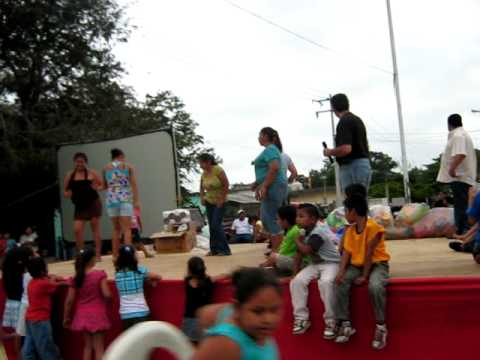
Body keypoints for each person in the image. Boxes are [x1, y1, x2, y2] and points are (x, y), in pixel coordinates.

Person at [335, 194, 390, 350]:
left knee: (375, 286)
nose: (345, 215)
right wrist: (340, 272)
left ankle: (381, 326)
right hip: (357, 265)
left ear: (353, 211)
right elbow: (346, 252)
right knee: (341, 282)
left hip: (377, 264)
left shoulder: (374, 227)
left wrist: (365, 276)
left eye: (346, 211)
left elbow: (369, 253)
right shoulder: (351, 230)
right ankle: (345, 323)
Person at [194, 267, 282, 360]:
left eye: (274, 310)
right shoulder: (225, 343)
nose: (268, 319)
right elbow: (204, 313)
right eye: (257, 311)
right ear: (237, 308)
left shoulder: (261, 333)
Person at [289, 204, 340, 337]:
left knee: (326, 283)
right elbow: (298, 255)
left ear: (312, 219)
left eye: (301, 216)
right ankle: (301, 319)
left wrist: (298, 241)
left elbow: (306, 250)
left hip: (331, 263)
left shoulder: (319, 231)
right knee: (297, 282)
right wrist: (294, 274)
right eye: (297, 216)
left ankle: (332, 321)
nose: (297, 219)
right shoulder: (303, 232)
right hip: (316, 264)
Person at [63, 248, 112, 360]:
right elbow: (107, 294)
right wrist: (109, 301)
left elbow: (69, 301)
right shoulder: (99, 275)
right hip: (97, 315)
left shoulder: (76, 278)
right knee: (99, 348)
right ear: (92, 260)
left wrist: (65, 317)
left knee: (88, 347)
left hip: (82, 316)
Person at [437, 114, 477, 237]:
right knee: (463, 203)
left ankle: (462, 230)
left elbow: (460, 154)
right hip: (463, 176)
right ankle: (462, 230)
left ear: (449, 124)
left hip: (460, 176)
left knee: (461, 205)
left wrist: (452, 169)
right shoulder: (462, 134)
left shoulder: (458, 136)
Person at [323, 93, 371, 193]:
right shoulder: (357, 120)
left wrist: (329, 152)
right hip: (363, 163)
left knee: (352, 201)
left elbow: (346, 149)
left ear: (333, 107)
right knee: (360, 202)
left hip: (352, 166)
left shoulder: (344, 122)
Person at [22, 257, 67, 360]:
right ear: (43, 271)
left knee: (29, 349)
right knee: (47, 350)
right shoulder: (43, 284)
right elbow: (58, 284)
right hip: (40, 320)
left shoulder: (32, 283)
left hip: (29, 319)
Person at [252, 127, 288, 250]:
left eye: (260, 135)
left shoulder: (270, 149)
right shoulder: (271, 149)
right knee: (267, 219)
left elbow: (274, 168)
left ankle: (277, 253)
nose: (258, 138)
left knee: (271, 219)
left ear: (266, 137)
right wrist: (257, 183)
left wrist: (265, 186)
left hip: (274, 186)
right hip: (273, 185)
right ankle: (277, 250)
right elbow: (267, 170)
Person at [64, 152, 103, 260]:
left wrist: (97, 188)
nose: (80, 164)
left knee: (94, 228)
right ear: (74, 162)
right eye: (77, 162)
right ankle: (81, 254)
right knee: (77, 230)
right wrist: (68, 194)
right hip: (79, 205)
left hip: (93, 203)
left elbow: (102, 185)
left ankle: (98, 254)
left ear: (85, 162)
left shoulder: (92, 173)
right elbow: (65, 191)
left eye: (82, 162)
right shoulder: (70, 175)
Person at [103, 148, 140, 258]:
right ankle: (128, 255)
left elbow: (104, 186)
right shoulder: (128, 167)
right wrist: (136, 200)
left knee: (116, 228)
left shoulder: (105, 168)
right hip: (124, 198)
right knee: (127, 229)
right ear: (121, 156)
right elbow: (133, 184)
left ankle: (115, 255)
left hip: (111, 199)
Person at [114, 245, 162, 329]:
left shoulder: (118, 274)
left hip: (125, 315)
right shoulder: (140, 271)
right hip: (141, 312)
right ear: (134, 257)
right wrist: (151, 282)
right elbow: (158, 277)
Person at [2, 246, 35, 358]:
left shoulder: (9, 268)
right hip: (19, 303)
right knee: (20, 335)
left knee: (19, 335)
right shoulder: (20, 271)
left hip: (12, 302)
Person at [198, 153, 231, 256]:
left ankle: (225, 250)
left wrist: (221, 199)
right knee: (211, 226)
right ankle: (214, 250)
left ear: (208, 162)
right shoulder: (204, 173)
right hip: (209, 201)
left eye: (201, 163)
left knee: (216, 224)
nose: (200, 165)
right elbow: (201, 187)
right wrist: (202, 197)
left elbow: (226, 184)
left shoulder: (218, 170)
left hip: (220, 201)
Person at [181, 257, 214, 343]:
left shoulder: (187, 281)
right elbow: (220, 276)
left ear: (190, 270)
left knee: (190, 348)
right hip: (205, 320)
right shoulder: (209, 281)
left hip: (189, 320)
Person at [261, 205, 301, 275]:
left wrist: (276, 258)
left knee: (273, 256)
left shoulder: (295, 231)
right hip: (289, 259)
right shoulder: (290, 230)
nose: (277, 221)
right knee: (272, 255)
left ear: (285, 221)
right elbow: (283, 248)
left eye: (278, 219)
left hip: (296, 263)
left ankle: (261, 269)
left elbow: (297, 252)